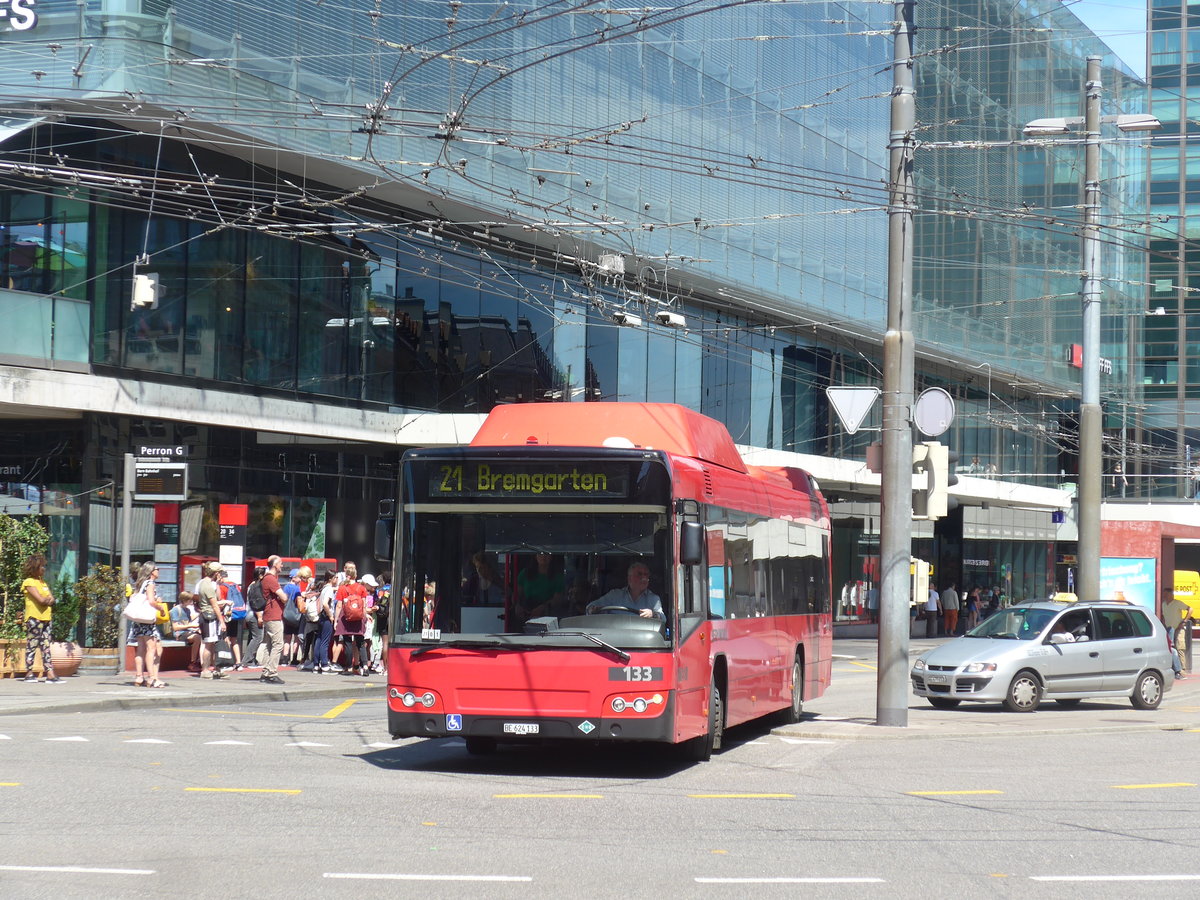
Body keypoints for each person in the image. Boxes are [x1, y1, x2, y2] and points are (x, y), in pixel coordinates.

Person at [20, 554, 62, 684]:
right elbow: (41, 599)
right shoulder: (28, 582)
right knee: (32, 645)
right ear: (34, 568)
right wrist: (46, 600)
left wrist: (48, 600)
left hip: (46, 618)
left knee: (46, 646)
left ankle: (49, 673)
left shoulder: (43, 582)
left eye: (44, 566)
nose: (43, 569)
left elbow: (51, 598)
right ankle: (29, 673)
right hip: (34, 618)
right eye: (41, 566)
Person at [130, 562, 168, 688]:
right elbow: (151, 601)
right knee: (151, 649)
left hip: (138, 619)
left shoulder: (140, 583)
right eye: (157, 569)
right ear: (152, 571)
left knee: (140, 649)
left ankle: (139, 676)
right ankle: (152, 678)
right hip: (147, 620)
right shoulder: (150, 584)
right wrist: (160, 608)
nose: (159, 571)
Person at [586, 561, 664, 620]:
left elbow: (663, 619)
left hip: (642, 639)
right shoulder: (614, 595)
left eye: (646, 575)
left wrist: (653, 614)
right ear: (629, 578)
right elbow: (590, 609)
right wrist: (593, 609)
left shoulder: (653, 599)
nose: (644, 578)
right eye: (639, 574)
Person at [335, 562, 371, 675]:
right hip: (359, 618)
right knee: (360, 642)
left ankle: (349, 667)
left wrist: (336, 620)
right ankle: (364, 666)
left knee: (347, 643)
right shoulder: (362, 588)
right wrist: (364, 618)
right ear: (356, 575)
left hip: (346, 618)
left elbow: (339, 605)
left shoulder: (342, 588)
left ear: (347, 575)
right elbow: (364, 605)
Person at [258, 555, 288, 684]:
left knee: (270, 645)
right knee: (278, 644)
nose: (282, 565)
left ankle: (266, 672)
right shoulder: (270, 579)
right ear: (275, 565)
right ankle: (271, 672)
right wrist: (283, 597)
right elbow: (284, 597)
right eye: (280, 563)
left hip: (270, 615)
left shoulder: (267, 578)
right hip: (273, 615)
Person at [196, 562, 228, 680]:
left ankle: (215, 669)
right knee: (209, 644)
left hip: (207, 615)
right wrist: (222, 621)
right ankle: (205, 670)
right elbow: (215, 605)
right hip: (209, 616)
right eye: (219, 572)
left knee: (213, 643)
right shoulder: (208, 586)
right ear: (216, 573)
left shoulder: (205, 583)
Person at [516, 552, 564, 622]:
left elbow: (557, 599)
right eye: (540, 553)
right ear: (535, 556)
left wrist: (543, 607)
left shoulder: (558, 577)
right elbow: (516, 594)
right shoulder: (525, 573)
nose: (543, 556)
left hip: (548, 616)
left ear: (551, 557)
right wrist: (517, 606)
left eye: (547, 554)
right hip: (525, 614)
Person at [170, 590, 202, 671]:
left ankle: (200, 661)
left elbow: (189, 619)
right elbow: (175, 627)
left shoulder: (187, 610)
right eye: (190, 600)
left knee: (203, 636)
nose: (192, 602)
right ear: (184, 600)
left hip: (187, 632)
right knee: (197, 638)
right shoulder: (176, 610)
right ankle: (193, 662)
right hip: (179, 634)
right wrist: (191, 625)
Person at [242, 567, 267, 669]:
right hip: (254, 615)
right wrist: (260, 617)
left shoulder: (252, 585)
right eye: (264, 575)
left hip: (250, 614)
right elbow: (256, 603)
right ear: (260, 576)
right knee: (258, 637)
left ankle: (252, 659)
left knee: (253, 637)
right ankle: (247, 660)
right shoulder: (256, 586)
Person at [1161, 583, 1187, 679]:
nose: (1164, 596)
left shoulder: (1177, 603)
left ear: (1171, 594)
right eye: (1164, 594)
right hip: (1169, 629)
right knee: (1171, 648)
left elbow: (1190, 609)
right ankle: (1176, 669)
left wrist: (1184, 621)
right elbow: (1163, 615)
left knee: (1179, 647)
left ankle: (1182, 669)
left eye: (1166, 594)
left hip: (1178, 628)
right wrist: (1163, 624)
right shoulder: (1164, 604)